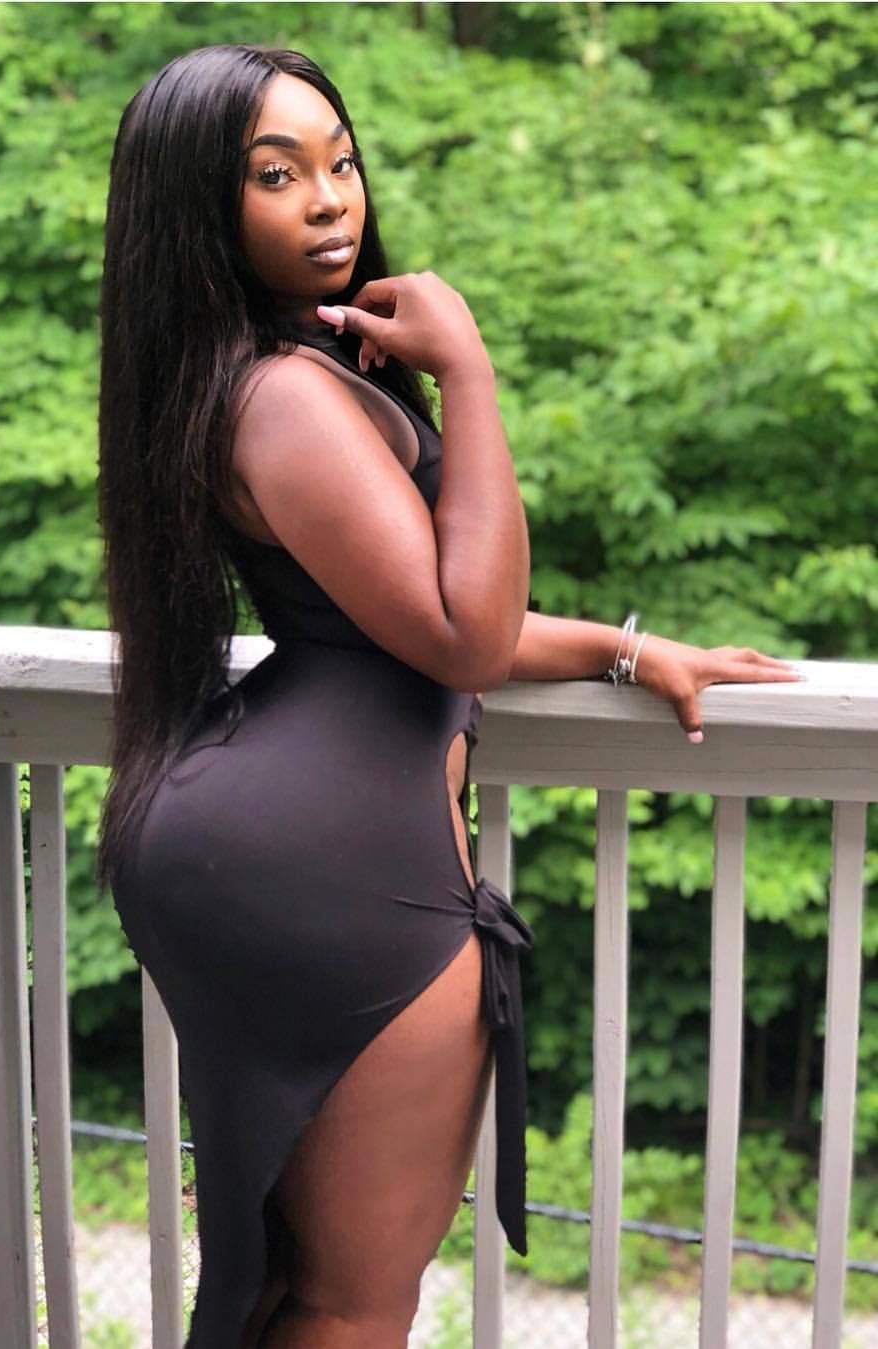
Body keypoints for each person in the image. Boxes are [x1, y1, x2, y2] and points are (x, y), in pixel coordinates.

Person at [94, 43, 801, 1349]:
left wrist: (630, 651)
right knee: (354, 1301)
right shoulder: (285, 398)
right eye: (275, 174)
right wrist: (468, 371)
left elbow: (415, 618)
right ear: (201, 205)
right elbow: (462, 638)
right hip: (342, 871)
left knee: (290, 1282)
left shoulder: (251, 376)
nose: (329, 198)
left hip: (264, 844)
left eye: (340, 161)